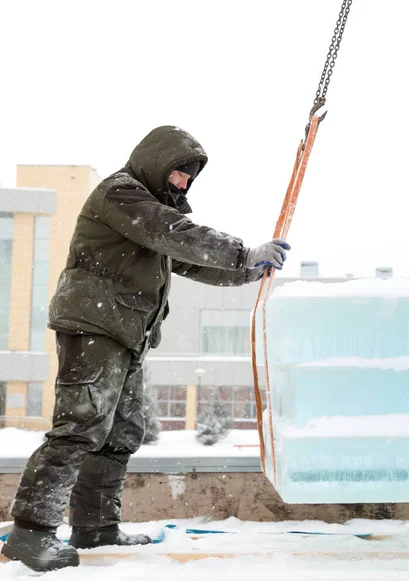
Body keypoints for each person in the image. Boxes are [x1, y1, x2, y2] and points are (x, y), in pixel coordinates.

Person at [1, 125, 291, 571]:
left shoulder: (150, 215)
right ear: (156, 162)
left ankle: (95, 526)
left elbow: (185, 258)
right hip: (94, 325)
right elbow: (171, 232)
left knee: (121, 432)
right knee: (80, 426)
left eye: (189, 178)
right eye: (178, 172)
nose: (183, 183)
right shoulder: (121, 194)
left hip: (125, 334)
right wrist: (240, 252)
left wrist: (247, 271)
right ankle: (30, 533)